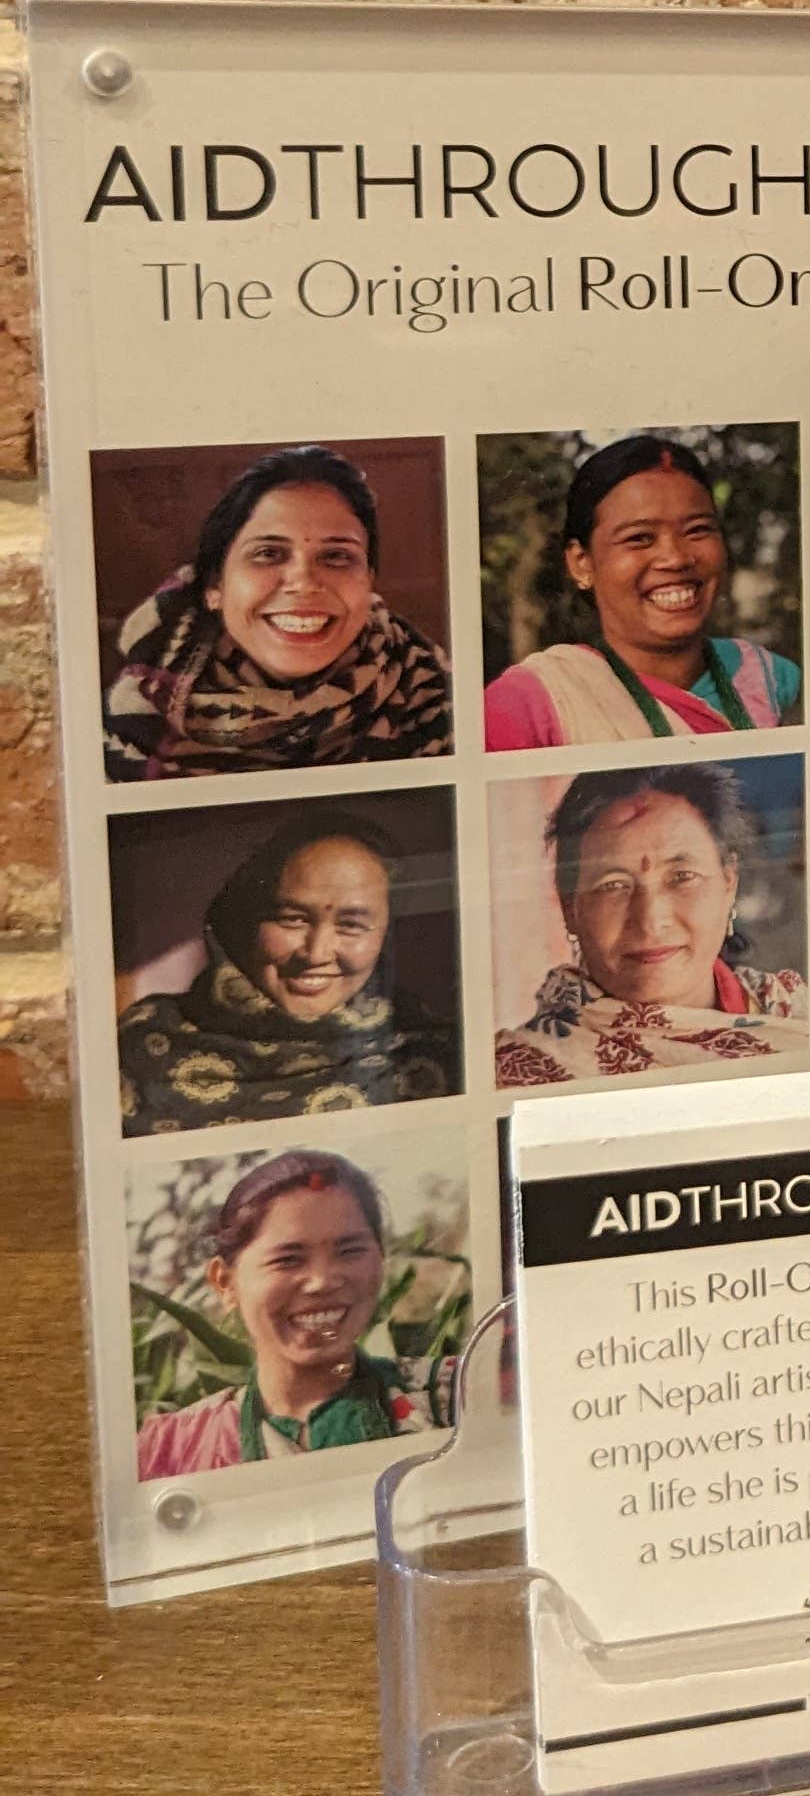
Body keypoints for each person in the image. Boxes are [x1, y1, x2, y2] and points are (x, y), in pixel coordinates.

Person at [103, 446, 452, 782]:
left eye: (336, 556)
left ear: (369, 581)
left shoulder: (439, 700)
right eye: (268, 553)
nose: (303, 583)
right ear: (214, 587)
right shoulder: (127, 721)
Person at [116, 811, 458, 1138]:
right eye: (292, 919)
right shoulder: (144, 1045)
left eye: (351, 925)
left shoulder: (433, 1055)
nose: (316, 953)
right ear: (247, 920)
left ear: (386, 936)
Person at [496, 760, 805, 1084]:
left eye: (682, 877)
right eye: (614, 885)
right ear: (570, 908)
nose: (650, 921)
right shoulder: (516, 1074)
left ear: (729, 883)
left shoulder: (800, 1015)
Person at [484, 435, 801, 749]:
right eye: (639, 538)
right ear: (581, 563)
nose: (676, 558)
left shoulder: (774, 681)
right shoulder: (528, 707)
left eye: (697, 530)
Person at [136, 1146, 428, 1475]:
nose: (322, 1281)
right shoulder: (169, 1452)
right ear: (225, 1282)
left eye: (350, 1251)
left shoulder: (451, 1398)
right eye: (288, 1260)